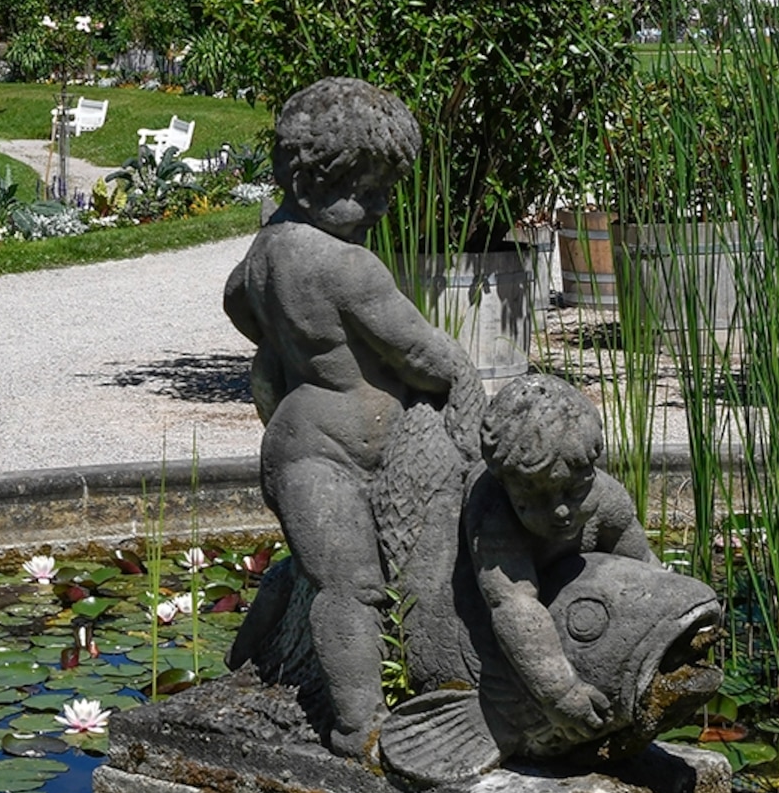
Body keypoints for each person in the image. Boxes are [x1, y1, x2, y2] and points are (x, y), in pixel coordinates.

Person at [223, 77, 472, 756]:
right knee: (351, 584)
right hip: (322, 454)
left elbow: (249, 324)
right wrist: (467, 388)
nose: (382, 207)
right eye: (367, 192)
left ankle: (246, 660)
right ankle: (358, 726)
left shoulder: (259, 262)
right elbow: (426, 353)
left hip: (299, 440)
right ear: (307, 184)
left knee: (319, 572)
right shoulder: (348, 268)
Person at [464, 373, 659, 740]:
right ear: (506, 484)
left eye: (574, 491)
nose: (560, 512)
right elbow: (513, 603)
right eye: (535, 499)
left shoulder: (607, 499)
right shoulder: (492, 512)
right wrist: (560, 691)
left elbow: (646, 570)